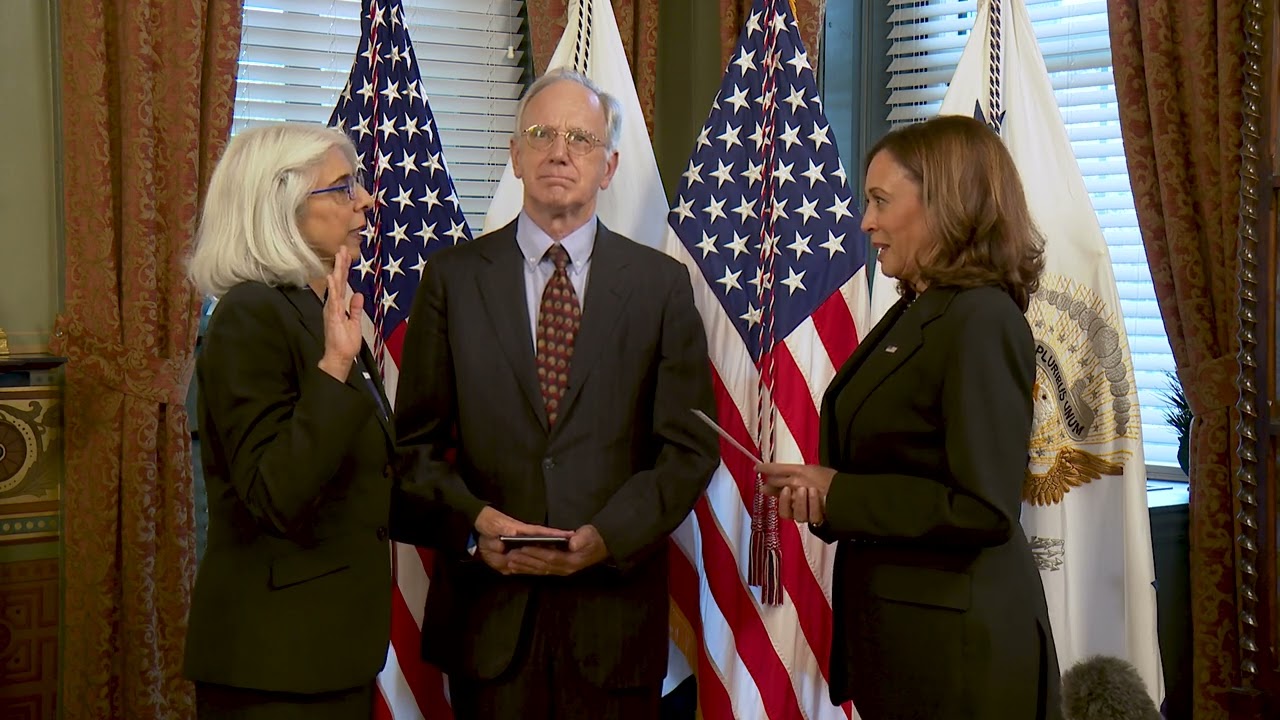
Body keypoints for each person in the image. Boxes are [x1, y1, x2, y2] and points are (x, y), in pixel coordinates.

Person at [394, 68, 719, 720]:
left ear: (609, 164)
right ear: (516, 155)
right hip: (488, 626)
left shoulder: (660, 287)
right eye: (541, 134)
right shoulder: (453, 280)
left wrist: (608, 536)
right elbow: (413, 450)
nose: (559, 151)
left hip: (613, 622)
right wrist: (471, 528)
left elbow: (688, 449)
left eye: (580, 137)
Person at [757, 114, 1062, 720]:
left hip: (959, 655)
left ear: (945, 204)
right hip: (909, 646)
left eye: (879, 201)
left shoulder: (980, 320)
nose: (865, 221)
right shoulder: (922, 309)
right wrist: (825, 497)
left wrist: (841, 493)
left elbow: (983, 507)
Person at [184, 123, 451, 718]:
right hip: (272, 667)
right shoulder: (248, 316)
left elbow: (368, 482)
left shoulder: (319, 311)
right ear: (281, 207)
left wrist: (483, 525)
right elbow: (276, 494)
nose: (366, 199)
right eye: (343, 187)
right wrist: (333, 364)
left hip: (330, 656)